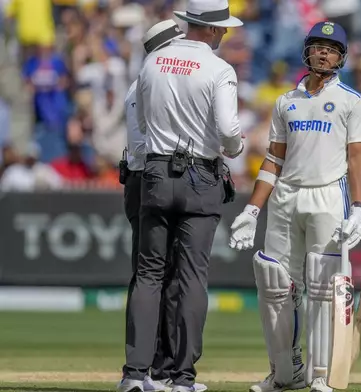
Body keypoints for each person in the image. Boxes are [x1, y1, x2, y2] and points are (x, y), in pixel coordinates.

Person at [228, 21, 361, 392]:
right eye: (317, 46)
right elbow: (273, 162)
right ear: (307, 51)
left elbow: (357, 158)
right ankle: (284, 373)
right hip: (285, 198)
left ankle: (321, 373)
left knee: (324, 288)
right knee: (275, 285)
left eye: (331, 48)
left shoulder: (353, 101)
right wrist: (251, 211)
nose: (323, 53)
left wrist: (359, 207)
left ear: (341, 57)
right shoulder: (286, 102)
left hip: (328, 195)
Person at [119, 0, 244, 391]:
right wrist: (235, 149)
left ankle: (136, 374)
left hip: (155, 170)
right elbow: (228, 132)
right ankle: (181, 377)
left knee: (149, 274)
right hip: (200, 174)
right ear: (207, 29)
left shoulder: (153, 62)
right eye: (221, 28)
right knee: (191, 277)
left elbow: (140, 122)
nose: (223, 33)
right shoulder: (218, 68)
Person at [119, 19, 207, 392]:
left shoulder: (143, 81)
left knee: (151, 276)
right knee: (165, 277)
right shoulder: (151, 83)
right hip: (157, 177)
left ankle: (150, 368)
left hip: (143, 178)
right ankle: (164, 368)